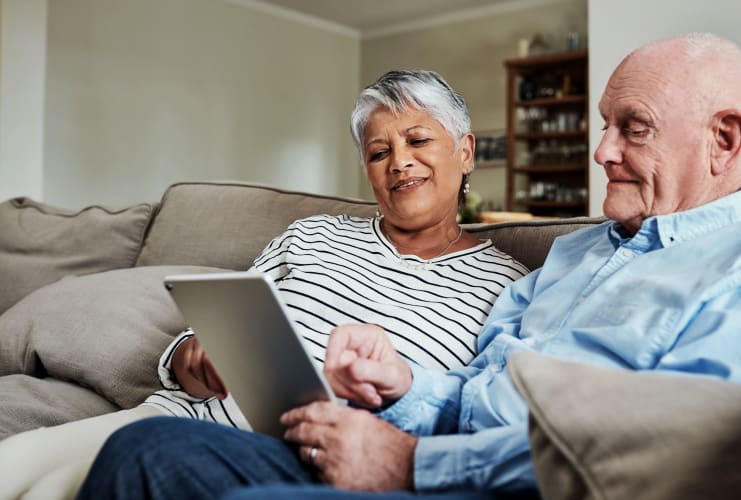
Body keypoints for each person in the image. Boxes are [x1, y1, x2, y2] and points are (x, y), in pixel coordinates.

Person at [76, 33, 741, 500]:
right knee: (148, 452)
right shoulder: (576, 253)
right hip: (415, 460)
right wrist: (403, 385)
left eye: (631, 128)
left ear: (724, 140)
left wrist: (411, 465)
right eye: (603, 125)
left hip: (488, 483)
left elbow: (683, 456)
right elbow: (474, 390)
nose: (602, 151)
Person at [0, 70, 528, 500]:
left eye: (417, 140)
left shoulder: (510, 284)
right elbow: (210, 330)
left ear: (464, 152)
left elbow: (478, 411)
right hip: (183, 415)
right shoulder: (313, 235)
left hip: (303, 463)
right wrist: (194, 355)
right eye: (377, 152)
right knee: (13, 465)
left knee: (57, 489)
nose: (399, 163)